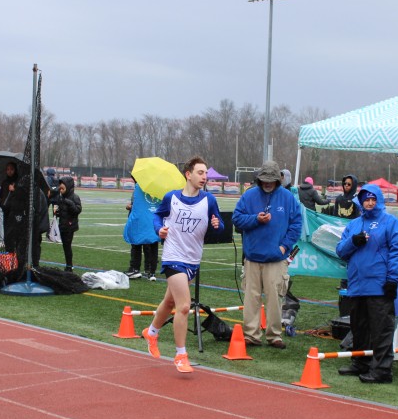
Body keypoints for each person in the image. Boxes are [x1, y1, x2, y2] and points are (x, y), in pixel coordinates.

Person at [141, 156, 223, 373]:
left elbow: (220, 225)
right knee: (184, 306)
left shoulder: (209, 200)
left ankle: (151, 332)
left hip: (192, 260)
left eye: (206, 173)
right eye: (200, 173)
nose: (204, 177)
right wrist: (159, 229)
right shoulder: (172, 198)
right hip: (173, 257)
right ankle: (180, 355)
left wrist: (217, 224)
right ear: (188, 174)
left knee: (170, 302)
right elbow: (158, 217)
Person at [334, 184, 398, 383]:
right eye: (366, 199)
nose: (370, 203)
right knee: (359, 328)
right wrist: (353, 242)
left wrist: (392, 280)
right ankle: (361, 362)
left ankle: (382, 370)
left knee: (381, 330)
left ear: (380, 200)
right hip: (357, 285)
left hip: (380, 286)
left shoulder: (390, 222)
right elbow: (340, 251)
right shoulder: (354, 224)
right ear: (361, 201)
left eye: (373, 199)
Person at [232, 161, 303, 349]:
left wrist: (284, 247)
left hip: (276, 259)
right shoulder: (249, 196)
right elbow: (236, 218)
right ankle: (251, 335)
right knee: (251, 298)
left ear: (278, 180)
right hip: (252, 257)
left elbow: (296, 224)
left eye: (271, 180)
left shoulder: (287, 197)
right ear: (259, 179)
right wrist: (255, 219)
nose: (268, 183)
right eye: (264, 180)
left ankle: (274, 335)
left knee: (275, 299)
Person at [123, 178, 160, 281]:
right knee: (153, 246)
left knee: (137, 244)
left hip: (140, 221)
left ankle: (135, 269)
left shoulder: (139, 187)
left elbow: (136, 205)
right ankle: (151, 272)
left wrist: (130, 207)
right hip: (154, 220)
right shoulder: (158, 188)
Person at [51, 176, 82, 271]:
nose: (61, 189)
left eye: (63, 186)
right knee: (65, 246)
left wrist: (69, 203)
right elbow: (58, 211)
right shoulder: (60, 197)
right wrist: (56, 211)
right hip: (62, 225)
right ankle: (68, 265)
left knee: (67, 246)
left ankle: (69, 266)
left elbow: (77, 210)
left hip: (70, 226)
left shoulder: (75, 197)